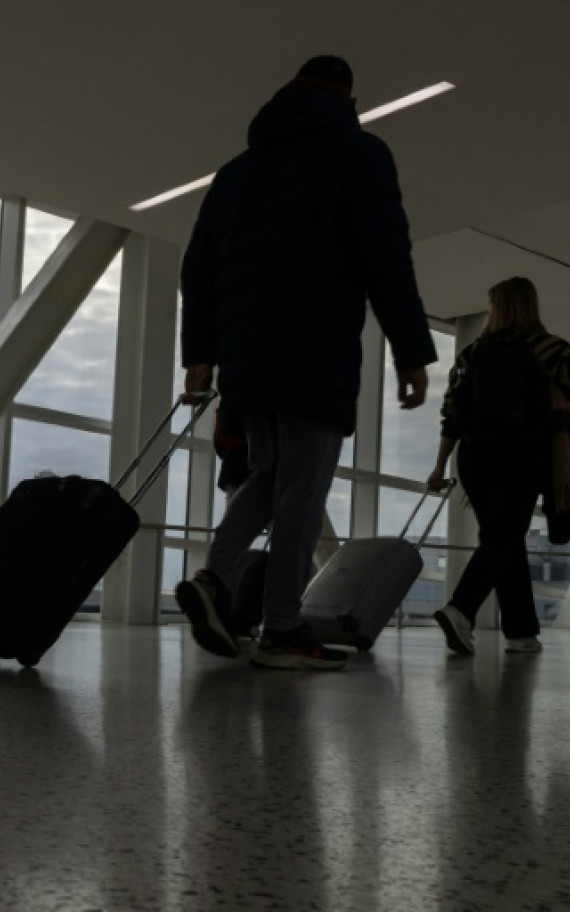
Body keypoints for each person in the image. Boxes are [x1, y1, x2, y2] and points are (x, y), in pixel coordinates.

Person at [176, 55, 437, 670]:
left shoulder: (236, 173)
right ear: (348, 97)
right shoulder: (359, 153)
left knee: (267, 474)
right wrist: (411, 350)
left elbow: (199, 266)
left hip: (247, 357)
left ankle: (216, 577)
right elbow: (386, 256)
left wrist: (201, 354)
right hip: (315, 348)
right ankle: (283, 628)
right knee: (303, 485)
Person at [426, 276, 570, 655]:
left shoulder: (471, 355)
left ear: (496, 308)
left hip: (474, 459)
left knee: (502, 535)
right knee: (503, 536)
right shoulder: (554, 350)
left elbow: (451, 417)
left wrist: (440, 467)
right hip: (524, 455)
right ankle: (461, 609)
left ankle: (522, 631)